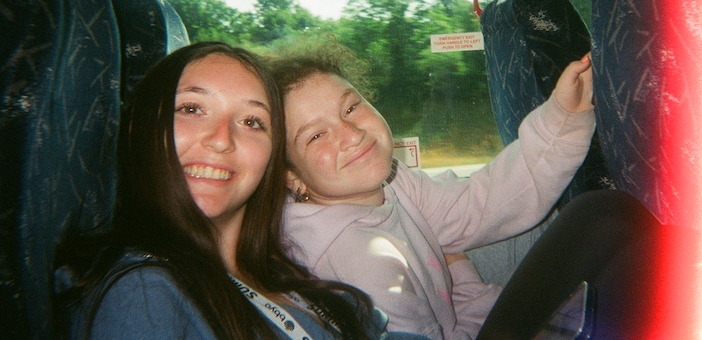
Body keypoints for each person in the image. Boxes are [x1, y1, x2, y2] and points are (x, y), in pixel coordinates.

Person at [267, 42, 700, 340]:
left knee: (608, 218)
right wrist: (462, 277)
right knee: (622, 238)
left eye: (351, 107)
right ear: (290, 177)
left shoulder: (389, 184)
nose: (349, 133)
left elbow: (479, 205)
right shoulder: (361, 259)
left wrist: (562, 117)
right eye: (315, 137)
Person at [56, 41, 430, 340]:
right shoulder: (142, 293)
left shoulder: (282, 272)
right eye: (191, 109)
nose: (221, 140)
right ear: (143, 130)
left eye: (252, 121)